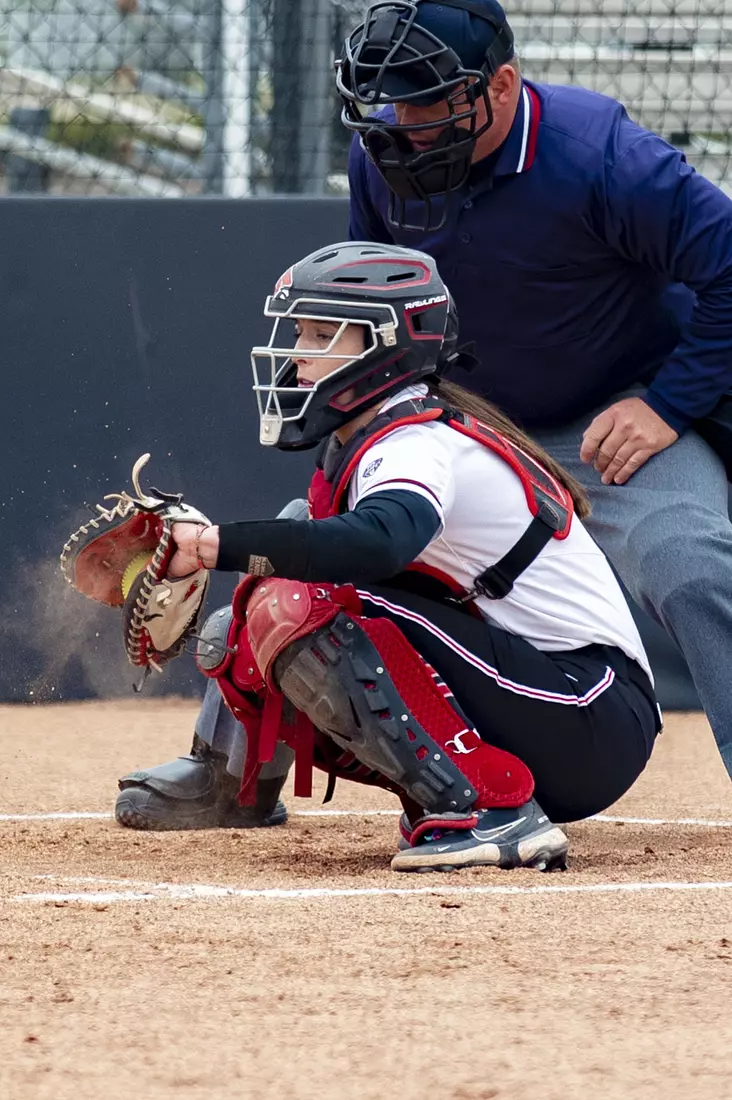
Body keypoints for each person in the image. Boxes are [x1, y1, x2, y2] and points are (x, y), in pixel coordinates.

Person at [122, 240, 660, 872]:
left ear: (388, 347)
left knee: (298, 601)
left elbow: (381, 539)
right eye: (300, 332)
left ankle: (488, 812)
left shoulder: (416, 441)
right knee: (268, 593)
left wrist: (214, 546)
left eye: (323, 335)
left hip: (587, 710)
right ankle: (235, 782)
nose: (298, 354)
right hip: (551, 700)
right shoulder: (378, 435)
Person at [332, 0, 732, 784]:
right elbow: (372, 303)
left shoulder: (601, 155)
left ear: (502, 85)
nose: (403, 123)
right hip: (461, 423)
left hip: (610, 420)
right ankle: (229, 764)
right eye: (390, 101)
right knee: (309, 541)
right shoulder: (378, 157)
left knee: (690, 562)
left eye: (427, 100)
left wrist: (668, 405)